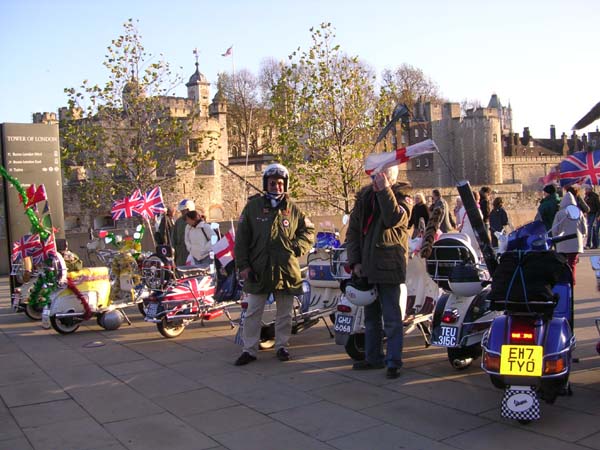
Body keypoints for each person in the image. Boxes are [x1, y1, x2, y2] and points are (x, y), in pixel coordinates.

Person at [234, 163, 315, 366]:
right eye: (272, 183)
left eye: (280, 183)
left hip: (285, 269)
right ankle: (249, 349)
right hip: (258, 270)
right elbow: (241, 240)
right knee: (252, 312)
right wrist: (243, 266)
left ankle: (282, 346)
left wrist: (297, 247)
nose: (276, 187)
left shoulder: (292, 209)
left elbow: (308, 232)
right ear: (265, 184)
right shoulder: (252, 208)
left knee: (285, 313)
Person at [345, 165, 411, 379]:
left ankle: (394, 362)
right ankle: (373, 357)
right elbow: (353, 232)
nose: (375, 180)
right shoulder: (364, 199)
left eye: (380, 177)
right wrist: (355, 262)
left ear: (389, 179)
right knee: (371, 317)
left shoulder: (403, 198)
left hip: (389, 266)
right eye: (373, 177)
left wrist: (385, 191)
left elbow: (394, 219)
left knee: (392, 318)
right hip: (367, 266)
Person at [552, 191, 587, 283]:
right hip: (575, 242)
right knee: (572, 263)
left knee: (563, 263)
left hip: (562, 242)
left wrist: (555, 239)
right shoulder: (579, 212)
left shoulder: (559, 214)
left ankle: (565, 281)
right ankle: (572, 280)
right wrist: (582, 236)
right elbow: (584, 229)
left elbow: (555, 229)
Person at [171, 199, 195, 266]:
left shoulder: (196, 221)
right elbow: (173, 239)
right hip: (180, 256)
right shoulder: (179, 222)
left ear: (189, 210)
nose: (181, 212)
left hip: (192, 255)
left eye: (183, 211)